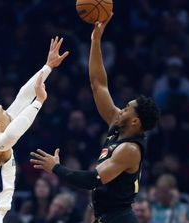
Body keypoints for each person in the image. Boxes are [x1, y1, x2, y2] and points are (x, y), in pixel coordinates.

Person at [30, 15, 160, 223]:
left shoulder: (130, 150)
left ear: (135, 121)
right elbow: (98, 84)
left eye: (127, 108)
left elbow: (93, 179)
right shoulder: (118, 125)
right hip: (106, 217)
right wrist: (95, 40)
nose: (121, 109)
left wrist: (56, 167)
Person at [0, 37, 69, 223]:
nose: (7, 111)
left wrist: (48, 67)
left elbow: (22, 97)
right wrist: (39, 102)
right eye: (2, 110)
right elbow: (12, 135)